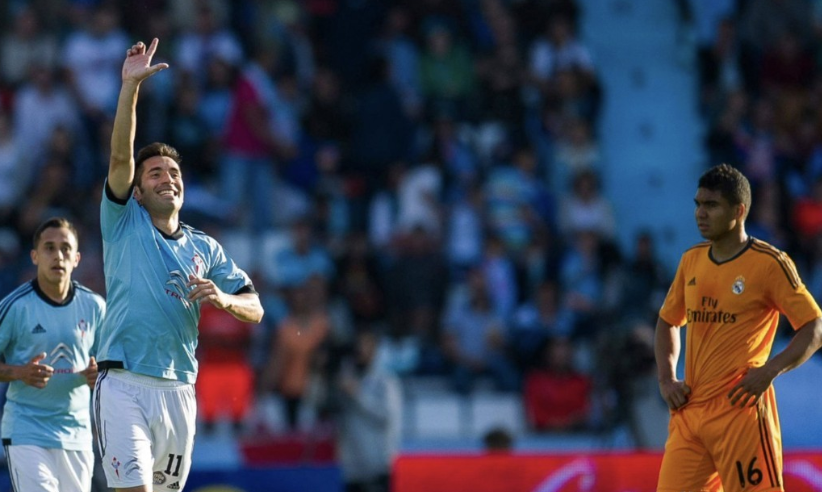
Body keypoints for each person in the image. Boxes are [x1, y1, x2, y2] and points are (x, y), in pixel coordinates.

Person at [94, 39, 264, 492]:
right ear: (137, 192)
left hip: (179, 388)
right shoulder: (123, 221)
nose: (167, 178)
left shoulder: (206, 247)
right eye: (155, 174)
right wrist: (130, 87)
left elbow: (255, 308)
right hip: (123, 382)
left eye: (174, 173)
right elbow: (120, 157)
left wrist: (224, 299)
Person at [655, 163, 822, 492]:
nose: (700, 213)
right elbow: (667, 320)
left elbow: (814, 327)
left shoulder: (769, 263)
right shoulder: (691, 260)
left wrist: (769, 371)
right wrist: (666, 378)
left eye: (711, 205)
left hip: (739, 411)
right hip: (690, 413)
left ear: (739, 210)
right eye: (698, 204)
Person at [0, 217, 105, 492]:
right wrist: (19, 372)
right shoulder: (15, 306)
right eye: (49, 248)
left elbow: (116, 364)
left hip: (77, 433)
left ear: (77, 258)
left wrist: (100, 374)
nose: (58, 255)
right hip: (26, 429)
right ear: (34, 256)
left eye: (65, 248)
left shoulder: (95, 306)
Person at [333, 329, 402, 492]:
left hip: (377, 467)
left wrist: (357, 394)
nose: (361, 350)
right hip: (352, 468)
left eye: (366, 345)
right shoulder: (345, 378)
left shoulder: (385, 380)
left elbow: (386, 416)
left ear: (375, 349)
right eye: (358, 345)